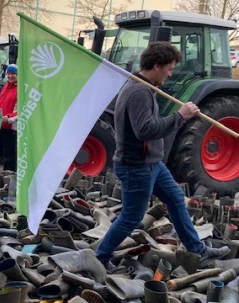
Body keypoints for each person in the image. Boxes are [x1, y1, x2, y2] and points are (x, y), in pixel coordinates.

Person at [95, 41, 230, 269]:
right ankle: (100, 258)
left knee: (176, 199)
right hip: (136, 166)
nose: (169, 74)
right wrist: (180, 116)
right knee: (131, 217)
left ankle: (198, 250)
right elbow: (144, 130)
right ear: (156, 66)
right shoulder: (139, 91)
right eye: (169, 69)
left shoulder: (141, 86)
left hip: (152, 164)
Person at [0, 64, 17, 173]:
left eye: (13, 74)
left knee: (9, 155)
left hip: (10, 127)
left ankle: (8, 178)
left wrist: (9, 118)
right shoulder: (4, 87)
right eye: (8, 74)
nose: (10, 76)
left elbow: (21, 110)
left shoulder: (20, 89)